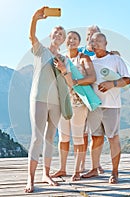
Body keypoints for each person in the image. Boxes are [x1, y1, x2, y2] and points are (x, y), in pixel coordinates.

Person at [24, 7, 72, 193]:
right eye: (56, 33)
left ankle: (46, 174)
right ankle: (31, 178)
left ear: (63, 40)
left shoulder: (63, 59)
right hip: (39, 99)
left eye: (62, 34)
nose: (59, 35)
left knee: (50, 139)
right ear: (51, 36)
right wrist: (34, 18)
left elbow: (70, 82)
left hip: (56, 103)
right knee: (37, 138)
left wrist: (63, 69)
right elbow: (31, 36)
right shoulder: (41, 51)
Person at [81, 32, 130, 184]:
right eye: (92, 41)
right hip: (94, 105)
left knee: (112, 138)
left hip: (112, 106)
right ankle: (94, 169)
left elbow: (127, 80)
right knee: (95, 138)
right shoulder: (90, 61)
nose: (95, 43)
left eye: (99, 41)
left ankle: (114, 173)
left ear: (106, 43)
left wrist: (112, 84)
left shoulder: (115, 59)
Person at [51, 31, 96, 181]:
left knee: (78, 138)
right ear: (65, 41)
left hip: (78, 103)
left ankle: (77, 171)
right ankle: (62, 169)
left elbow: (92, 77)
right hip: (63, 102)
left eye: (75, 38)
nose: (72, 40)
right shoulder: (60, 58)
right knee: (63, 138)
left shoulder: (83, 58)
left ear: (79, 42)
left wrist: (74, 82)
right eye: (69, 38)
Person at [78, 25, 105, 174]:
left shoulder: (103, 53)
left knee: (97, 134)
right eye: (89, 34)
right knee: (82, 134)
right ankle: (81, 164)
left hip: (97, 99)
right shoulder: (80, 52)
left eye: (94, 34)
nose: (91, 37)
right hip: (82, 97)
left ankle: (96, 163)